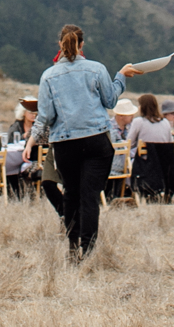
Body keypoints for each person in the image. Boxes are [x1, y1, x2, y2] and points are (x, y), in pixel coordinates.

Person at [34, 23, 141, 260]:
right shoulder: (96, 69)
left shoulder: (48, 76)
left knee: (71, 192)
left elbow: (46, 116)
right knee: (90, 196)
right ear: (82, 45)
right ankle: (89, 250)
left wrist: (33, 139)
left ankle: (73, 248)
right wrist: (120, 77)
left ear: (59, 45)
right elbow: (111, 100)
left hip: (64, 143)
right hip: (96, 140)